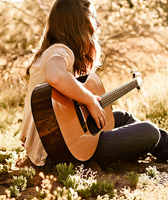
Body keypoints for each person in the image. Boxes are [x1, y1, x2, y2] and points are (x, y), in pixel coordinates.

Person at [20, 0, 168, 166]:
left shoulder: (51, 51)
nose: (98, 24)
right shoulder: (61, 51)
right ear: (78, 23)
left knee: (119, 117)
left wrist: (89, 103)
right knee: (149, 131)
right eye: (92, 17)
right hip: (61, 149)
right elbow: (55, 76)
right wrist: (90, 100)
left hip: (56, 143)